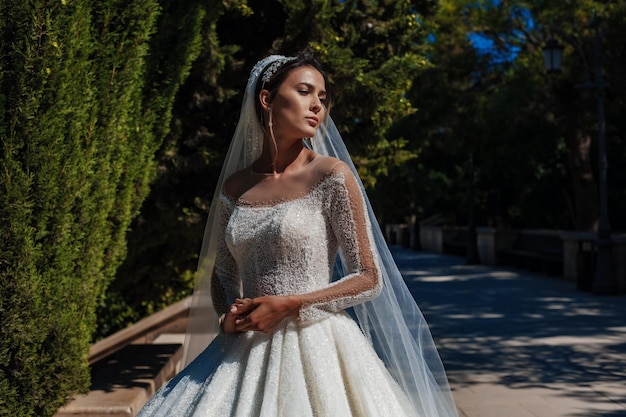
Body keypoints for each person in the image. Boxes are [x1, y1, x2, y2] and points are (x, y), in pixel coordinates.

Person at [137, 53, 458, 417]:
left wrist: (292, 304)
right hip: (242, 348)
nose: (317, 105)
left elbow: (369, 278)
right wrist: (230, 315)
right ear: (267, 98)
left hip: (318, 346)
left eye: (323, 98)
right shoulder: (234, 188)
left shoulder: (331, 176)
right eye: (305, 91)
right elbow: (224, 273)